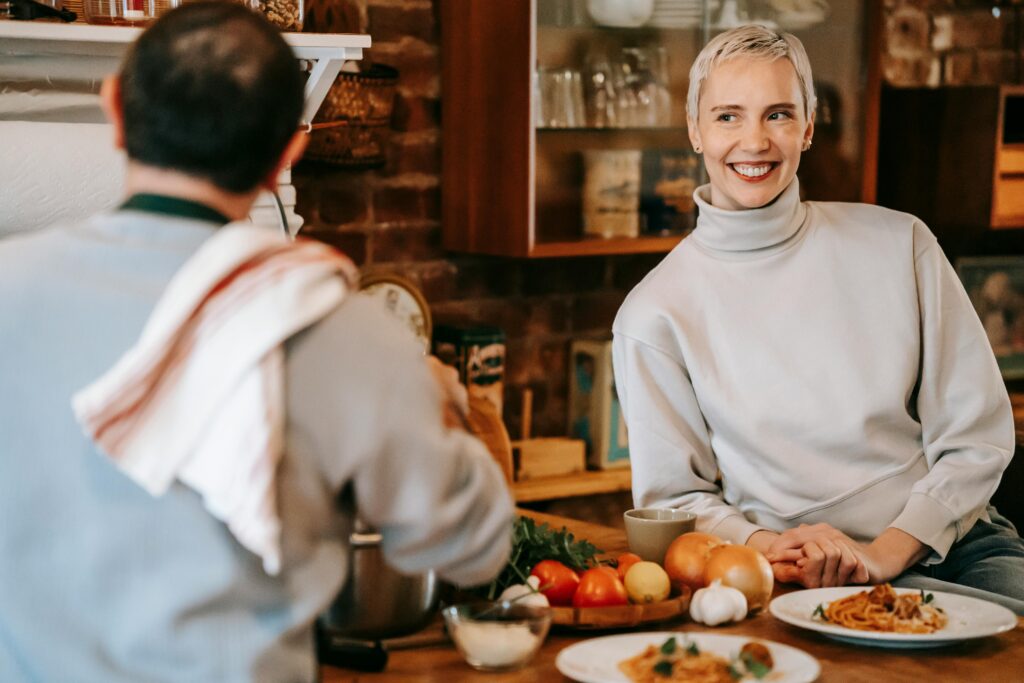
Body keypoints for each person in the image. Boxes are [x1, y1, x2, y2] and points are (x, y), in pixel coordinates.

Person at [0, 4, 513, 682]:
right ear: (286, 154)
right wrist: (446, 405)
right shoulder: (343, 327)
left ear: (116, 114)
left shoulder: (9, 288)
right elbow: (471, 548)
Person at [612, 25, 1024, 614]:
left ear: (808, 127)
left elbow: (976, 437)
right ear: (695, 131)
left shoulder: (899, 242)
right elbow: (678, 499)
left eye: (777, 113)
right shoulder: (653, 314)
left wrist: (884, 553)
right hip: (786, 575)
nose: (754, 140)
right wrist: (766, 548)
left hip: (954, 548)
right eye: (728, 116)